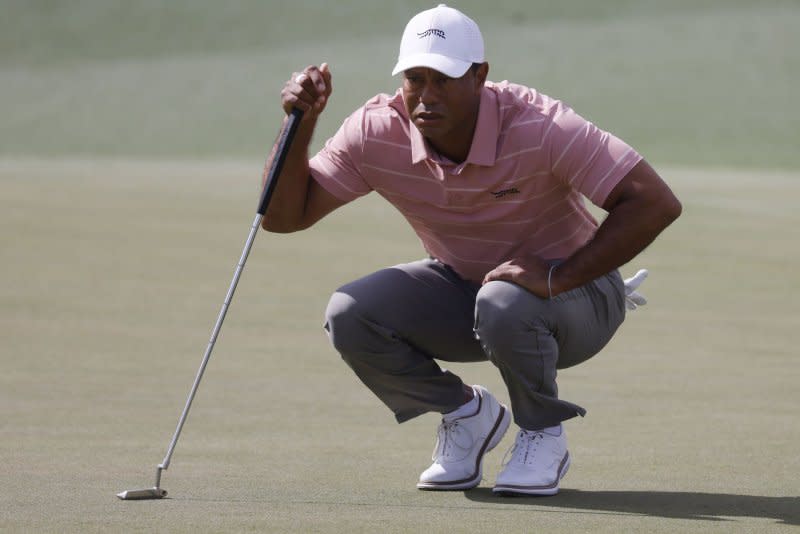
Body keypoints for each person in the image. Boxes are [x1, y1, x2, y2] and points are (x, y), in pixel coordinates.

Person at [262, 4, 681, 496]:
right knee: (351, 313)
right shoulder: (376, 131)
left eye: (443, 78)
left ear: (480, 75)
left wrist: (559, 276)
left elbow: (654, 202)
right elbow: (283, 217)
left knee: (503, 301)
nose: (426, 95)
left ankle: (542, 431)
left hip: (581, 296)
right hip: (469, 289)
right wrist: (301, 124)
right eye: (415, 78)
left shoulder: (541, 125)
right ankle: (466, 413)